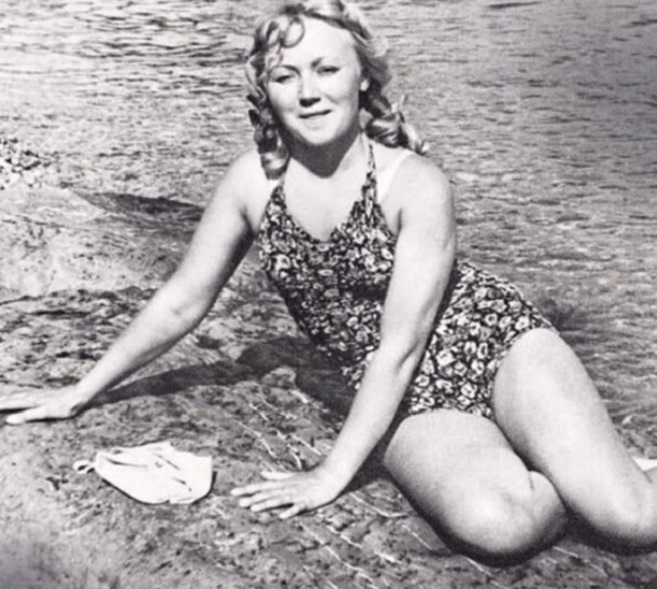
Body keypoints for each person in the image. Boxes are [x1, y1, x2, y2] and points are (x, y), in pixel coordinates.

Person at [3, 0, 657, 560]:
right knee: (497, 525)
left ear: (362, 78)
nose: (308, 92)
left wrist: (329, 473)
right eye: (285, 76)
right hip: (407, 394)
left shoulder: (414, 183)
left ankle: (597, 473)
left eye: (326, 69)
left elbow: (401, 344)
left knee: (632, 520)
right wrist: (79, 390)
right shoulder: (253, 184)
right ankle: (568, 469)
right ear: (265, 90)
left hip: (492, 343)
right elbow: (181, 301)